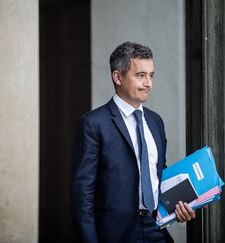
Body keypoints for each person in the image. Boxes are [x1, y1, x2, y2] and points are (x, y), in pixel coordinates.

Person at [71, 42, 195, 243]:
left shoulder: (156, 121)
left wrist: (178, 206)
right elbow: (82, 195)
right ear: (117, 77)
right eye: (140, 75)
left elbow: (158, 175)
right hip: (115, 235)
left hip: (157, 229)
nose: (149, 83)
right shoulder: (93, 124)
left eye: (151, 75)